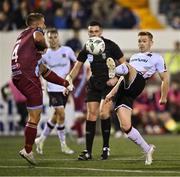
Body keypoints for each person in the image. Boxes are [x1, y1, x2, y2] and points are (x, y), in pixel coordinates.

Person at [11, 13, 71, 165]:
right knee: (35, 117)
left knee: (33, 115)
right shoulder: (36, 31)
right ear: (37, 23)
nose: (44, 26)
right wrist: (44, 48)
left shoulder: (22, 36)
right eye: (43, 23)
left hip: (18, 75)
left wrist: (64, 82)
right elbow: (39, 38)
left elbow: (45, 71)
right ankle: (28, 150)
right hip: (28, 76)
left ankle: (29, 147)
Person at [105, 31, 169, 165]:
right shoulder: (134, 56)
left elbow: (165, 78)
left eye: (144, 41)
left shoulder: (157, 58)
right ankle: (148, 148)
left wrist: (163, 97)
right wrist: (112, 92)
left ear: (151, 43)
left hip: (139, 81)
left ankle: (114, 70)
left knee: (126, 67)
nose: (141, 43)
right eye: (139, 41)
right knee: (125, 126)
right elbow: (123, 78)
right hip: (124, 86)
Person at [66, 21, 125, 160]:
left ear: (101, 32)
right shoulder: (87, 47)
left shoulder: (111, 45)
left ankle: (106, 148)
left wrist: (116, 77)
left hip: (108, 84)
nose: (93, 34)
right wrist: (68, 79)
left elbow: (125, 65)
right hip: (94, 83)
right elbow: (77, 66)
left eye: (96, 31)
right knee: (91, 115)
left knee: (104, 113)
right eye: (91, 32)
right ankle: (88, 151)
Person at [35, 28, 76, 155]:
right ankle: (63, 145)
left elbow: (76, 65)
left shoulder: (67, 50)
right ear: (47, 39)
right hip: (52, 88)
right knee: (62, 114)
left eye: (54, 37)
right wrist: (40, 82)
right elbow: (38, 69)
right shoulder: (44, 54)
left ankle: (40, 139)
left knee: (56, 116)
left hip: (65, 88)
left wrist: (71, 80)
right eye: (50, 38)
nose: (52, 40)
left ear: (58, 37)